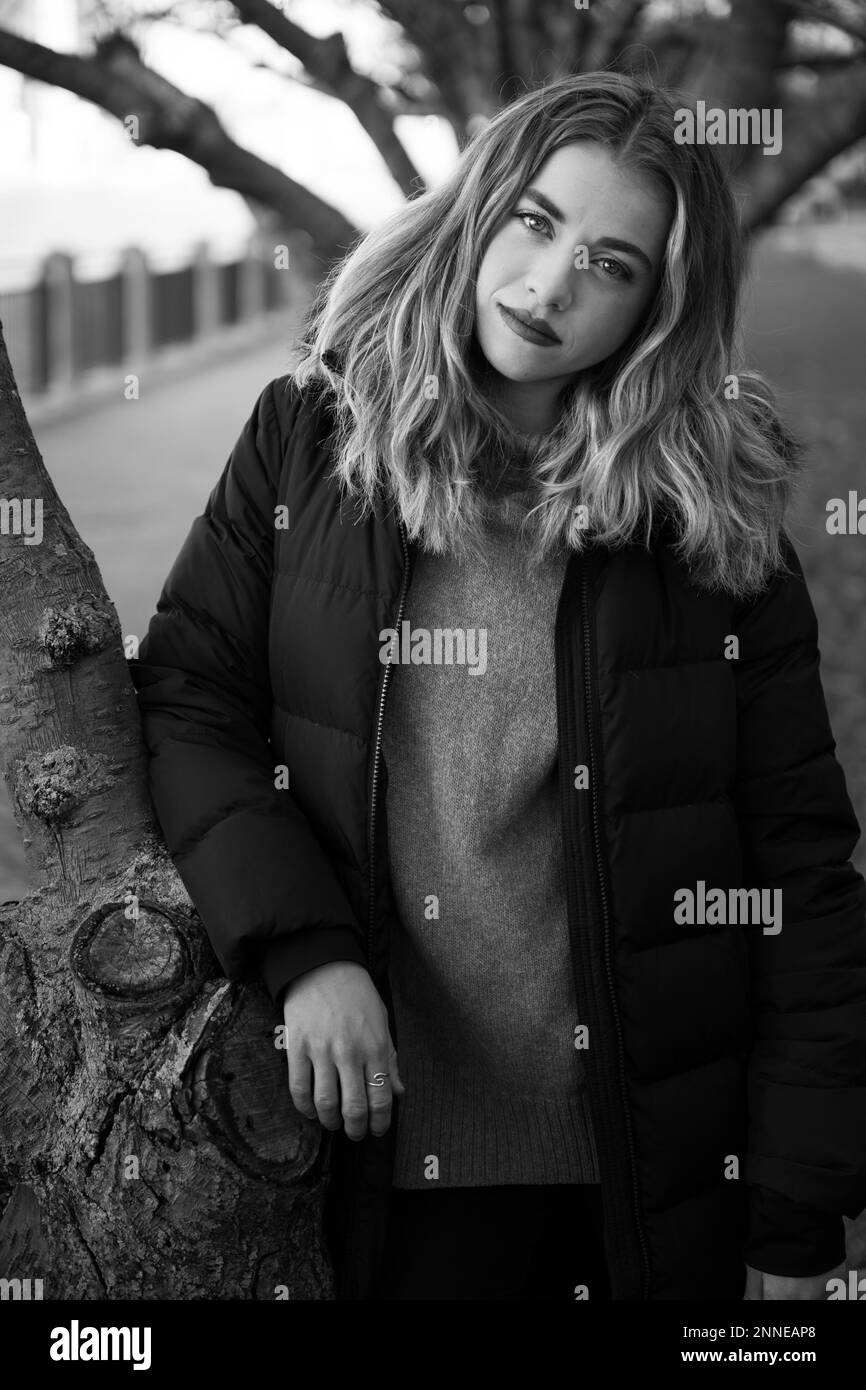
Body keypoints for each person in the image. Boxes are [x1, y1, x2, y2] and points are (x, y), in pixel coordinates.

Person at [129, 71, 866, 1302]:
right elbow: (192, 698)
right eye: (534, 222)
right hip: (362, 1156)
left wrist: (794, 1214)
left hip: (640, 1181)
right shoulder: (309, 441)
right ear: (477, 210)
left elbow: (798, 870)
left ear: (655, 309)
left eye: (611, 264)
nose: (550, 285)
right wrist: (305, 952)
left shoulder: (711, 531)